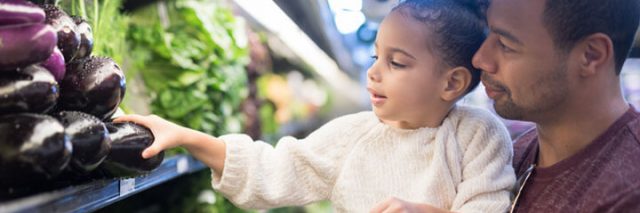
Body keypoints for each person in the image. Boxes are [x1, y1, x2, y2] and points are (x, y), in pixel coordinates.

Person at [115, 0, 516, 212]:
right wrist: (186, 136)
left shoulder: (479, 135)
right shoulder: (353, 136)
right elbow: (269, 168)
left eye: (397, 63)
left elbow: (489, 207)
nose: (374, 73)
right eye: (376, 56)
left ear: (453, 83)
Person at [471, 0, 640, 212]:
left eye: (505, 44)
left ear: (591, 55)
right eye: (488, 34)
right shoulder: (512, 153)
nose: (480, 59)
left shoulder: (629, 191)